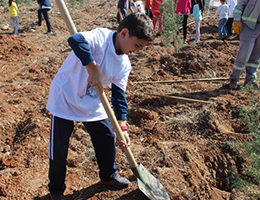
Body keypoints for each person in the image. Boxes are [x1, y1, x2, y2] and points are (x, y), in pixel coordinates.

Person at [46, 13, 154, 200]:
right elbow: (75, 39)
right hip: (65, 97)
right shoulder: (100, 37)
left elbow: (119, 98)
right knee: (59, 148)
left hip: (92, 102)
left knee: (106, 137)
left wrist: (123, 127)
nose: (137, 51)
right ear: (124, 33)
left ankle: (108, 176)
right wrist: (92, 67)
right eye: (137, 45)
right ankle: (56, 190)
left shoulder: (124, 65)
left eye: (141, 48)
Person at [227, 0, 260, 90]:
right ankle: (234, 78)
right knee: (243, 56)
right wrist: (237, 19)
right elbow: (240, 5)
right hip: (248, 26)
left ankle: (250, 80)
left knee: (256, 58)